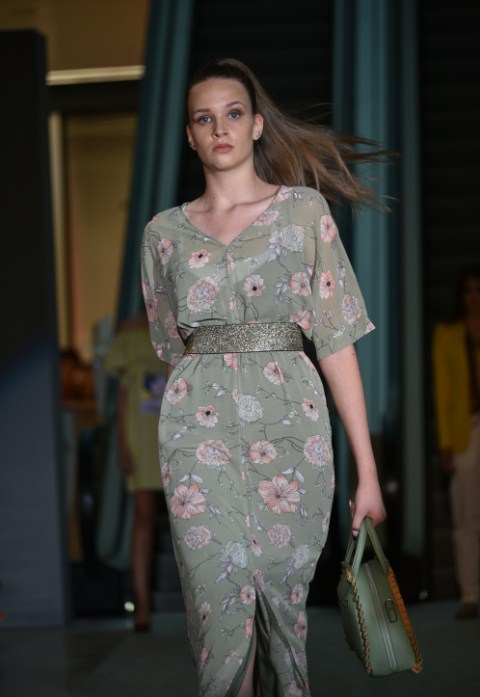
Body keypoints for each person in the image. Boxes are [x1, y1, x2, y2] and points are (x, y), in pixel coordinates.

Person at [141, 58, 386, 697]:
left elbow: (335, 341)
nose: (219, 128)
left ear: (255, 126)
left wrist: (367, 471)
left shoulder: (303, 213)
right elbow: (172, 348)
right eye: (204, 118)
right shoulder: (162, 235)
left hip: (291, 433)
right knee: (219, 609)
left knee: (280, 610)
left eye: (233, 113)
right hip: (197, 440)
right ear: (189, 135)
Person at [103, 313, 167, 631]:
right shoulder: (129, 331)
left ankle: (203, 605)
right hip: (140, 432)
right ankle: (142, 606)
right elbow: (123, 392)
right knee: (143, 517)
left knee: (188, 519)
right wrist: (122, 444)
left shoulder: (180, 322)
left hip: (175, 428)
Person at [433, 266, 480, 621]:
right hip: (466, 429)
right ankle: (469, 594)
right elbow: (443, 390)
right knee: (465, 517)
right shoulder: (446, 334)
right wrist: (446, 443)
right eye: (468, 290)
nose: (473, 297)